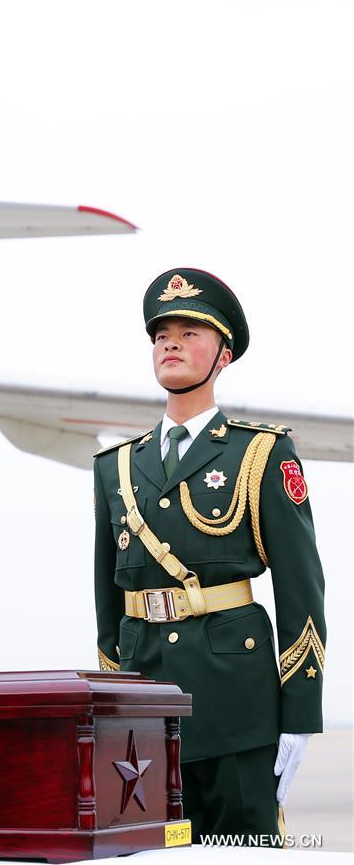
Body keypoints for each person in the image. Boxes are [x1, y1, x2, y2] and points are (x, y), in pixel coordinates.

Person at [93, 269, 325, 844]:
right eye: (161, 334)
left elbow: (302, 588)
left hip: (236, 704)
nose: (170, 343)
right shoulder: (116, 467)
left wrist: (298, 716)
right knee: (145, 852)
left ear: (223, 355)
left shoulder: (262, 454)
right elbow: (108, 598)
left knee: (242, 854)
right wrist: (110, 696)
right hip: (143, 712)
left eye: (190, 332)